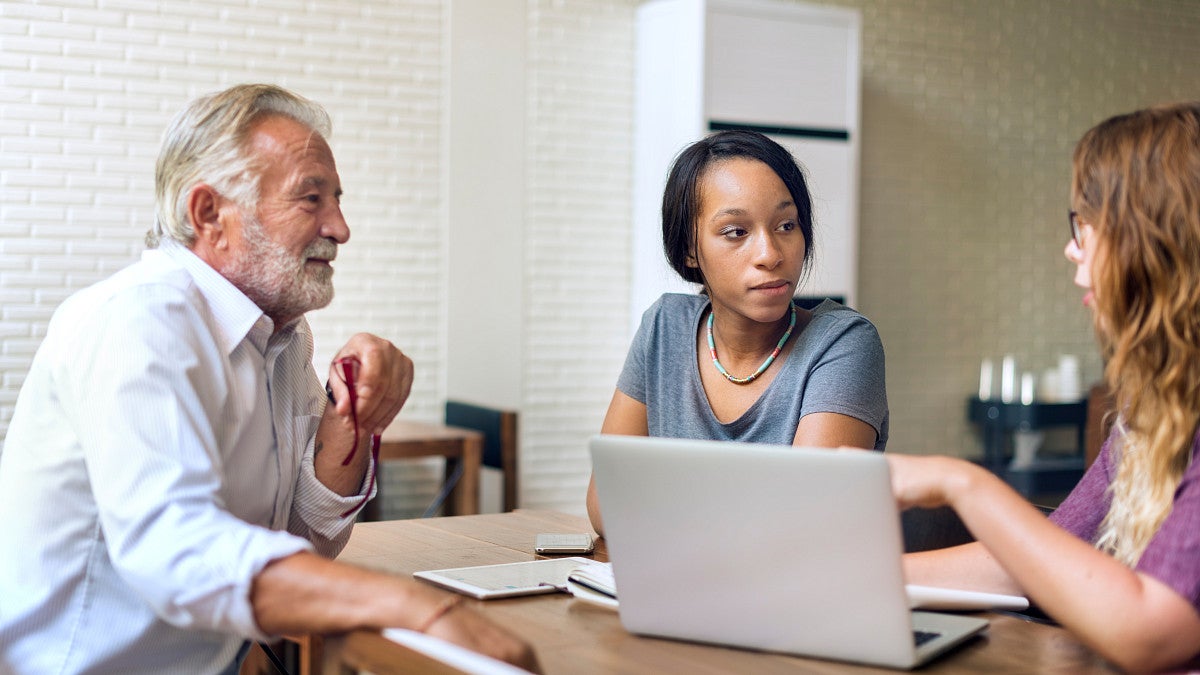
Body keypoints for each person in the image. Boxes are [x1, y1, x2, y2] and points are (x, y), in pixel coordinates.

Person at [0, 84, 537, 674]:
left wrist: (352, 421)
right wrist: (420, 609)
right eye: (311, 199)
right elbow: (174, 551)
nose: (341, 227)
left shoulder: (281, 337)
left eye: (337, 200)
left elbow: (303, 542)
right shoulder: (140, 319)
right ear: (209, 214)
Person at [888, 102, 1200, 673]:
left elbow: (1153, 633)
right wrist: (860, 577)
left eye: (1087, 224)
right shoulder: (1150, 407)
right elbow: (1041, 557)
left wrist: (961, 483)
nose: (1073, 248)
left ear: (1153, 240)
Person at [587, 130, 889, 535]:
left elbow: (804, 522)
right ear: (690, 250)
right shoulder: (664, 327)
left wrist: (662, 508)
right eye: (736, 232)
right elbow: (606, 503)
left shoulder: (843, 343)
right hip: (675, 584)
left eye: (786, 225)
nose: (770, 255)